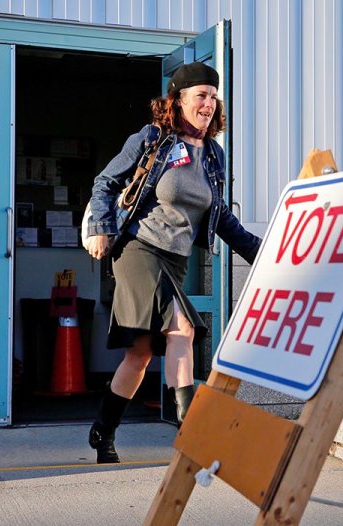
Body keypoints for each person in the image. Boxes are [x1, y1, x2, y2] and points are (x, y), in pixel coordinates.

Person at [84, 62, 261, 463]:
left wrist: (264, 254)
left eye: (214, 97)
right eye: (201, 95)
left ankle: (102, 431)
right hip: (138, 249)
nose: (209, 104)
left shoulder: (213, 155)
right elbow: (105, 183)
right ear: (177, 99)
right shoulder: (153, 139)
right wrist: (99, 225)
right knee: (181, 329)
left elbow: (223, 219)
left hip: (176, 260)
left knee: (141, 353)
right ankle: (191, 430)